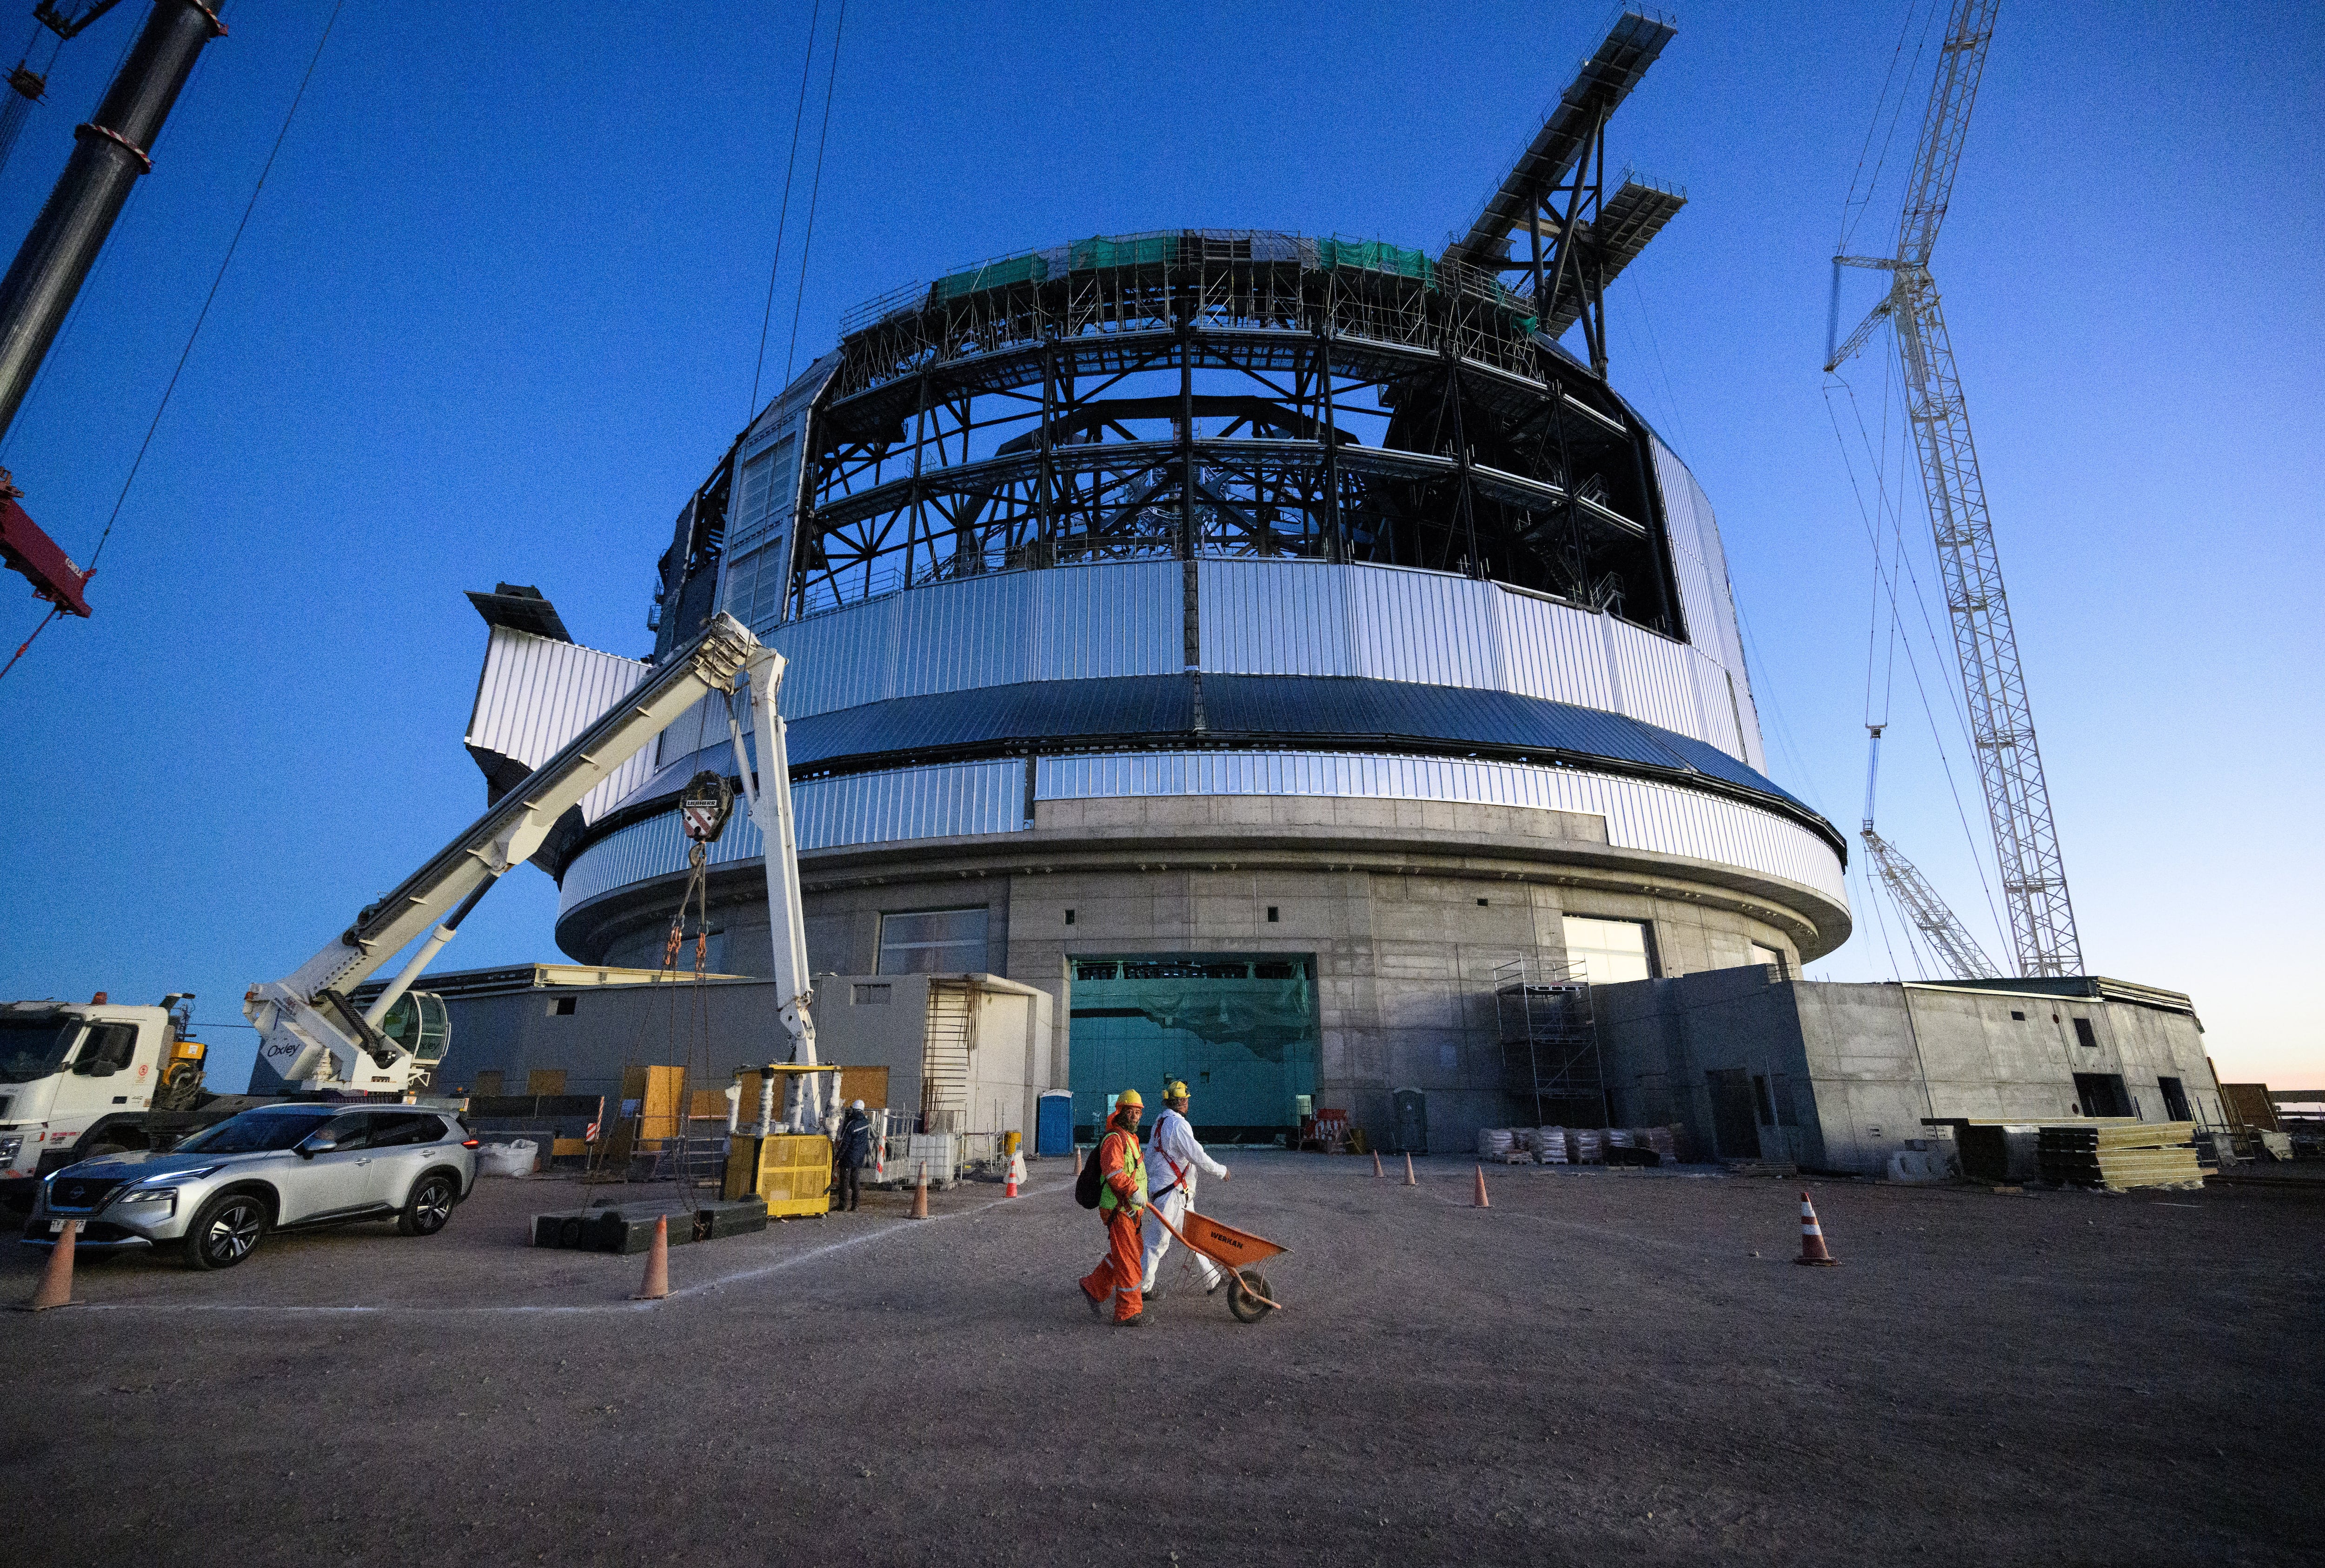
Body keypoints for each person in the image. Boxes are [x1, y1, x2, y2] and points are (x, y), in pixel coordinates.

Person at [1141, 1079, 1230, 1296]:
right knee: (1157, 1242)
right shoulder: (1179, 1125)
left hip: (1174, 1193)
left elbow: (1151, 1157)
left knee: (1194, 1237)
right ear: (1175, 1103)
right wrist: (1221, 1170)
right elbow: (1197, 1155)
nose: (1185, 1103)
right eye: (1182, 1100)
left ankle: (1213, 1279)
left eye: (1185, 1100)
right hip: (1172, 1195)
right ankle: (1141, 1289)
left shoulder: (1160, 1122)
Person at [1078, 1089, 1149, 1327]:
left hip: (1129, 1209)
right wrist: (1134, 1192)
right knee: (1129, 1259)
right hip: (1119, 1209)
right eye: (1131, 1112)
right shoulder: (1114, 1139)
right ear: (1120, 1112)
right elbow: (1114, 1173)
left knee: (1131, 1253)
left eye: (1138, 1112)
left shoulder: (1130, 1139)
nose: (1136, 1116)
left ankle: (1094, 1286)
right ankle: (1128, 1311)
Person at [834, 1099, 872, 1212]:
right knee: (855, 1181)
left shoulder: (851, 1124)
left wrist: (838, 1157)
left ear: (854, 1110)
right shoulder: (865, 1122)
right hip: (859, 1157)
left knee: (845, 1181)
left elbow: (845, 1142)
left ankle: (843, 1205)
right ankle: (855, 1205)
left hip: (848, 1157)